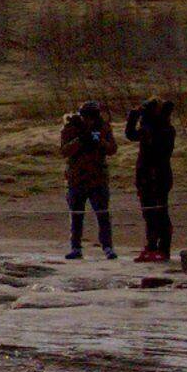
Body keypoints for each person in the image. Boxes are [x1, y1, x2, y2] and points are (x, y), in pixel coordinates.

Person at [60, 100, 117, 259]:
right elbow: (64, 150)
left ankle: (107, 246)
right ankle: (75, 247)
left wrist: (99, 141)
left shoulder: (103, 127)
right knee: (76, 215)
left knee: (103, 215)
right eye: (86, 117)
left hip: (98, 178)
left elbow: (112, 149)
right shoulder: (70, 127)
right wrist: (80, 141)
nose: (89, 120)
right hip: (76, 178)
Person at [127, 97, 180, 261]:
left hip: (156, 176)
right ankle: (152, 247)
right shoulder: (158, 127)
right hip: (150, 175)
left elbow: (132, 134)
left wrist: (134, 118)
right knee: (150, 214)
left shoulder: (160, 129)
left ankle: (162, 249)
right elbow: (132, 135)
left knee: (159, 213)